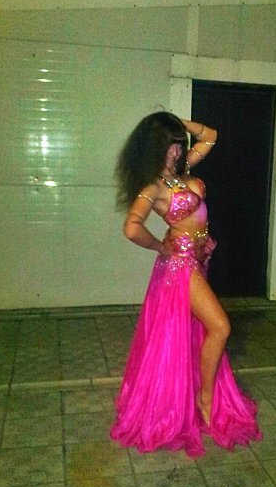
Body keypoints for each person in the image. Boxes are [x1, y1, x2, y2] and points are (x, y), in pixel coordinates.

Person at [110, 111, 262, 457]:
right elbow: (132, 227)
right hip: (179, 266)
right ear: (154, 148)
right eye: (170, 146)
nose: (177, 152)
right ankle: (205, 398)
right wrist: (159, 246)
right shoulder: (153, 187)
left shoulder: (183, 172)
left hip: (197, 259)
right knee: (220, 326)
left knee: (198, 332)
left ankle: (196, 393)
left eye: (179, 145)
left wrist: (178, 124)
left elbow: (211, 136)